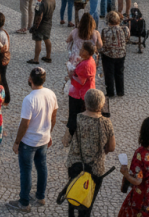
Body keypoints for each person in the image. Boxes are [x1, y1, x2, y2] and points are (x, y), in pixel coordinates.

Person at [6, 67, 57, 212]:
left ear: (30, 79)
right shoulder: (51, 94)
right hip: (44, 139)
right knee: (42, 167)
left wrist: (17, 142)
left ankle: (24, 202)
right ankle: (40, 196)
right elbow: (53, 117)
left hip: (29, 142)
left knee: (26, 171)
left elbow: (25, 124)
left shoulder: (29, 99)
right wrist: (49, 134)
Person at [64, 89, 114, 217]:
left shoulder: (77, 118)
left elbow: (65, 141)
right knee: (87, 202)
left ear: (85, 103)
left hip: (75, 165)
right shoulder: (106, 123)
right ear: (102, 105)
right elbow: (112, 147)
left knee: (73, 194)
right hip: (95, 169)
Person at [100, 11, 129, 97]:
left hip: (108, 54)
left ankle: (110, 92)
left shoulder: (104, 30)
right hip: (121, 54)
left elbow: (102, 42)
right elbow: (127, 38)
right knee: (119, 72)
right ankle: (120, 91)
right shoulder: (124, 29)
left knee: (109, 73)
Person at [29, 0, 55, 64]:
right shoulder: (53, 0)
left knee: (38, 40)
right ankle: (48, 56)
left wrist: (35, 27)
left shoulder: (40, 4)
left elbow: (39, 17)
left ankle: (36, 59)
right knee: (47, 39)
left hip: (41, 25)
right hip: (48, 23)